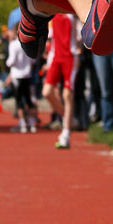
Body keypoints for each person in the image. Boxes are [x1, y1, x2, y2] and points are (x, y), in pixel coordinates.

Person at [43, 13, 81, 148]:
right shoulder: (52, 12)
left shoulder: (72, 11)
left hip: (70, 56)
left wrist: (79, 47)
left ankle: (65, 133)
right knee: (47, 92)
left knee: (67, 95)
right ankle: (69, 119)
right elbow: (49, 36)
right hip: (55, 56)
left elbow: (80, 33)